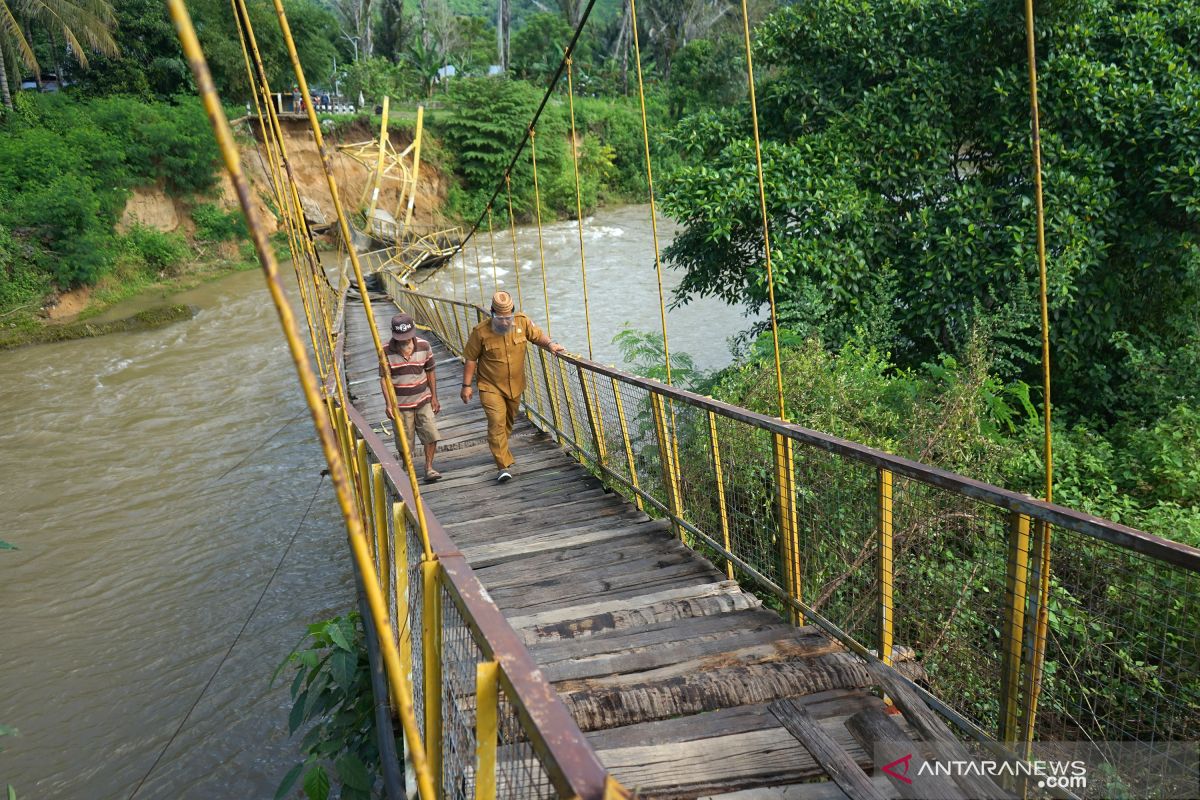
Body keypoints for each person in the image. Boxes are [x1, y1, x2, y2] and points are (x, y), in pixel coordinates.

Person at [461, 291, 563, 483]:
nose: (505, 322)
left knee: (507, 422)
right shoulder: (480, 332)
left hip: (515, 385)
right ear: (492, 313)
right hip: (489, 386)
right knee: (496, 421)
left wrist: (550, 344)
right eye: (500, 318)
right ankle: (502, 466)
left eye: (508, 318)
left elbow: (537, 335)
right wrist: (466, 385)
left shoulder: (522, 322)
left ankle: (500, 448)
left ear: (513, 313)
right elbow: (470, 359)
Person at [380, 313, 442, 482]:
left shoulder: (424, 346)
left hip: (423, 400)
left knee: (431, 433)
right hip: (400, 404)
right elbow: (384, 379)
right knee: (404, 441)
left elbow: (430, 371)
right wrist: (388, 404)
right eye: (401, 338)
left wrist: (434, 397)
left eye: (407, 337)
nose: (405, 341)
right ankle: (407, 469)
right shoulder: (385, 351)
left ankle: (429, 468)